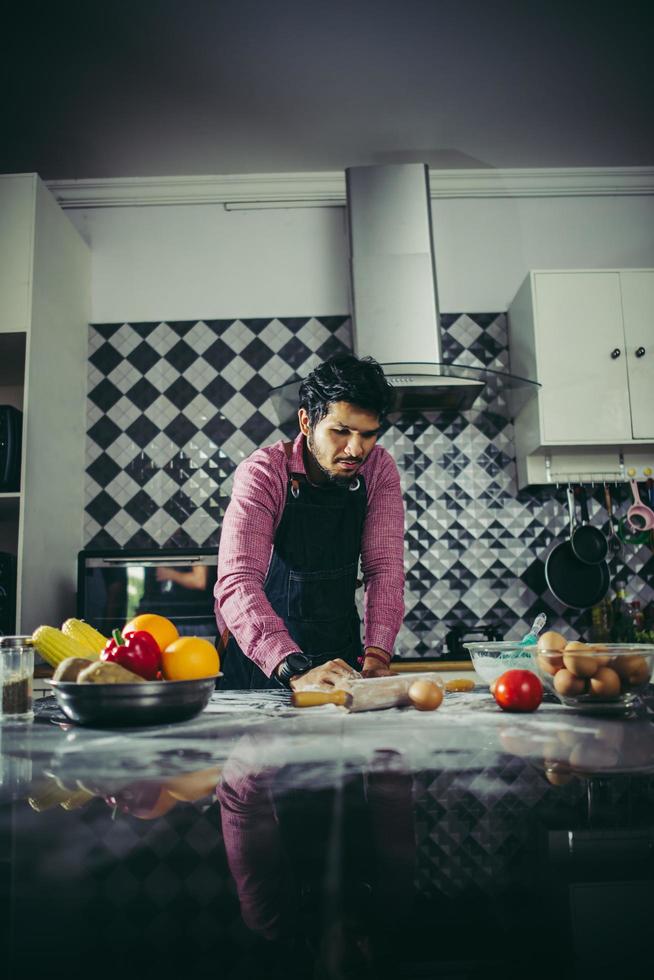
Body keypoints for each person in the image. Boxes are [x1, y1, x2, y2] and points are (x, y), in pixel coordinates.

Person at [214, 353, 405, 691]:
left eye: (368, 434)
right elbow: (237, 581)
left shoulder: (379, 469)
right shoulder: (264, 473)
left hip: (343, 663)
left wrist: (377, 657)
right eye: (341, 431)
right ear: (306, 423)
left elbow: (384, 568)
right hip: (264, 668)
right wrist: (292, 669)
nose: (356, 450)